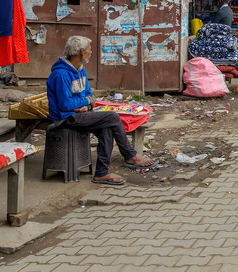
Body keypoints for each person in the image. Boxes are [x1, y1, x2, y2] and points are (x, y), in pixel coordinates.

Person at [47, 36, 156, 186]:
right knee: (112, 117)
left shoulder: (80, 70)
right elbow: (65, 104)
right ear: (81, 52)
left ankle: (101, 173)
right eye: (89, 49)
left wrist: (87, 105)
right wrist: (85, 102)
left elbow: (90, 96)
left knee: (107, 128)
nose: (91, 52)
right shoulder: (61, 74)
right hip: (66, 118)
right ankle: (130, 155)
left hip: (80, 114)